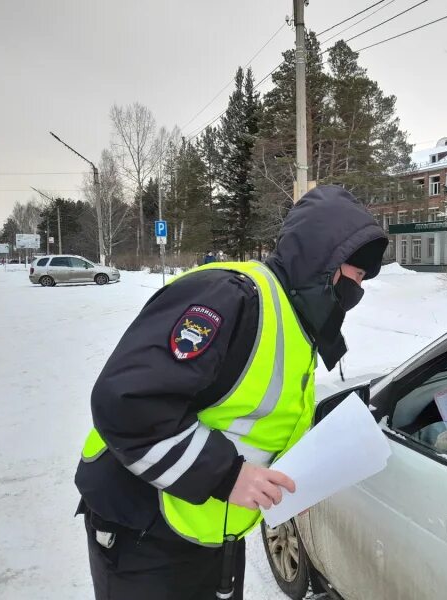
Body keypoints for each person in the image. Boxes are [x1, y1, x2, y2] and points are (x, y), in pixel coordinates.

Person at [75, 185, 388, 600]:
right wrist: (227, 475)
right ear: (324, 260)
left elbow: (254, 420)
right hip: (143, 531)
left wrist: (290, 486)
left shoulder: (297, 324)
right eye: (356, 273)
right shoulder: (233, 297)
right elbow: (127, 402)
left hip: (213, 531)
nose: (358, 288)